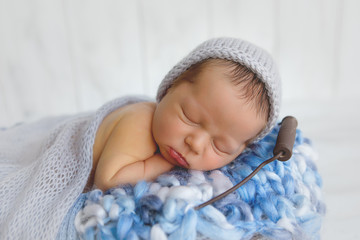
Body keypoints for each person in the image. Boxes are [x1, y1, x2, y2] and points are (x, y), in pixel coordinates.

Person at [89, 38, 281, 191]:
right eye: (190, 117)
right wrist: (164, 163)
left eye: (220, 146)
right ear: (170, 87)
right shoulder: (139, 120)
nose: (195, 144)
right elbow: (108, 181)